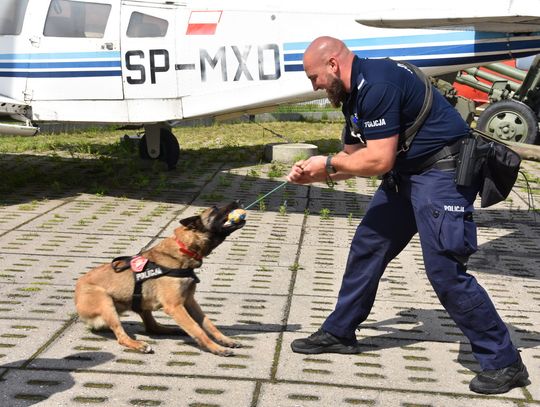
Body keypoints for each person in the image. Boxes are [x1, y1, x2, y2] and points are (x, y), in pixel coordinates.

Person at [286, 36, 529, 395]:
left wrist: (328, 164)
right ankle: (340, 331)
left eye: (314, 78)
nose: (315, 86)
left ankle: (504, 363)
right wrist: (316, 172)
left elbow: (378, 160)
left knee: (445, 271)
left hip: (442, 174)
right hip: (407, 175)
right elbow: (354, 158)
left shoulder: (378, 84)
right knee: (368, 245)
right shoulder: (353, 94)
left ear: (333, 65)